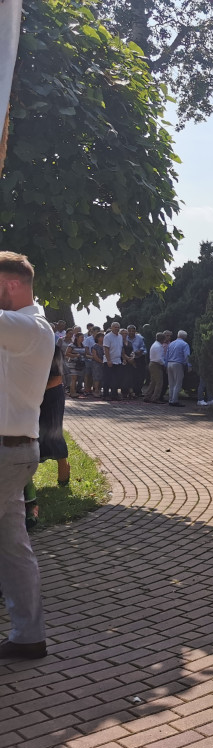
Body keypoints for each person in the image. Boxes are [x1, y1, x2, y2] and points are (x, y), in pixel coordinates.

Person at [0, 252, 54, 659]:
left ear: (12, 284)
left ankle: (28, 634)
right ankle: (28, 636)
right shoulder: (19, 331)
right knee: (13, 546)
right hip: (14, 451)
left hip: (6, 452)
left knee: (14, 547)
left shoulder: (28, 327)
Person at [38, 345, 71, 486]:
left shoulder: (53, 349)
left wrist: (34, 391)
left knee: (53, 432)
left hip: (51, 395)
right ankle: (26, 479)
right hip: (30, 396)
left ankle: (63, 472)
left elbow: (57, 378)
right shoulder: (24, 347)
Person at [165, 330, 191, 406]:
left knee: (171, 383)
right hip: (178, 364)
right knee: (178, 383)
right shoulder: (185, 344)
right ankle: (174, 400)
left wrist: (166, 365)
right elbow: (187, 356)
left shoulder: (171, 343)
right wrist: (189, 365)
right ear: (185, 337)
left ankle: (170, 400)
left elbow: (167, 355)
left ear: (177, 335)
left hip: (169, 363)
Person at [102, 321, 124, 400]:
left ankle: (114, 394)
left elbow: (121, 348)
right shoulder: (108, 336)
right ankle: (105, 395)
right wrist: (108, 360)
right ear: (111, 328)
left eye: (118, 327)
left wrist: (123, 358)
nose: (117, 329)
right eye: (115, 327)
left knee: (116, 379)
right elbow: (106, 349)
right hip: (109, 360)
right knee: (107, 378)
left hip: (118, 361)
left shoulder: (120, 337)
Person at [144, 331, 166, 402]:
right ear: (162, 339)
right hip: (156, 364)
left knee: (153, 382)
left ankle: (147, 395)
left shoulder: (154, 344)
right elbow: (159, 358)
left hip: (152, 363)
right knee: (159, 382)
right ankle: (155, 398)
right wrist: (164, 364)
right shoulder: (159, 346)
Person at [67, 332, 87, 397]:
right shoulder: (71, 345)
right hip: (73, 364)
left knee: (76, 378)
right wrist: (75, 355)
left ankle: (72, 392)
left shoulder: (83, 346)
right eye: (81, 337)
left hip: (80, 365)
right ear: (77, 338)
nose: (82, 339)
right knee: (74, 378)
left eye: (83, 337)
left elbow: (85, 354)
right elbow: (67, 353)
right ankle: (73, 392)